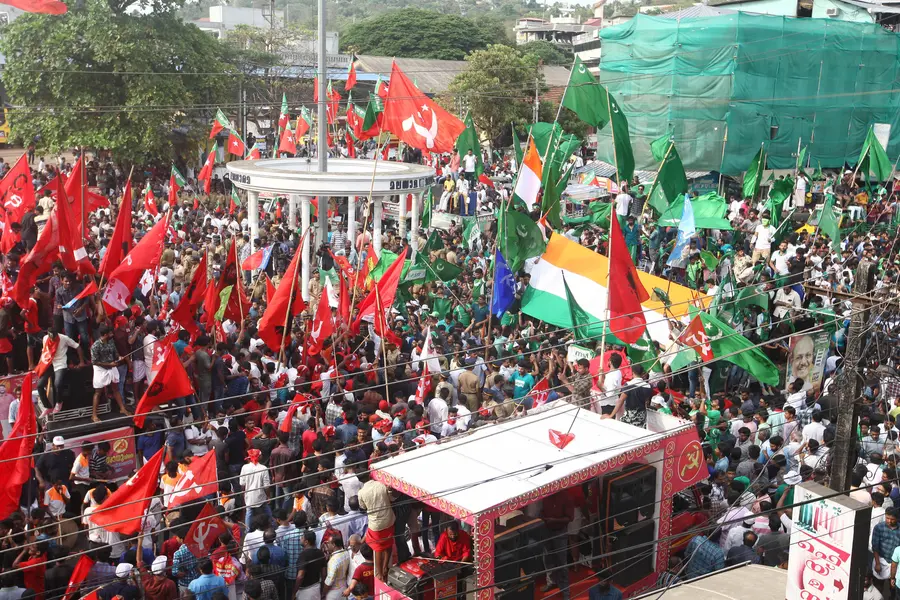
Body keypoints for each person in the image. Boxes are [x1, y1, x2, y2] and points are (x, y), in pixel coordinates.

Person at [356, 470, 394, 581]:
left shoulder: (361, 492)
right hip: (388, 519)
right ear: (369, 475)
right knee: (388, 543)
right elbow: (391, 498)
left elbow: (363, 507)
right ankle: (385, 567)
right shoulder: (381, 485)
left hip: (376, 524)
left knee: (378, 548)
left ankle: (380, 573)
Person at [90, 324, 132, 423]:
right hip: (100, 369)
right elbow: (94, 362)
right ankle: (94, 415)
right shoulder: (95, 346)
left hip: (112, 367)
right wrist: (109, 364)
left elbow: (115, 353)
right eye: (110, 333)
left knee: (115, 389)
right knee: (98, 392)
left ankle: (122, 409)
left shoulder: (111, 341)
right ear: (105, 335)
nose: (112, 334)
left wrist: (119, 357)